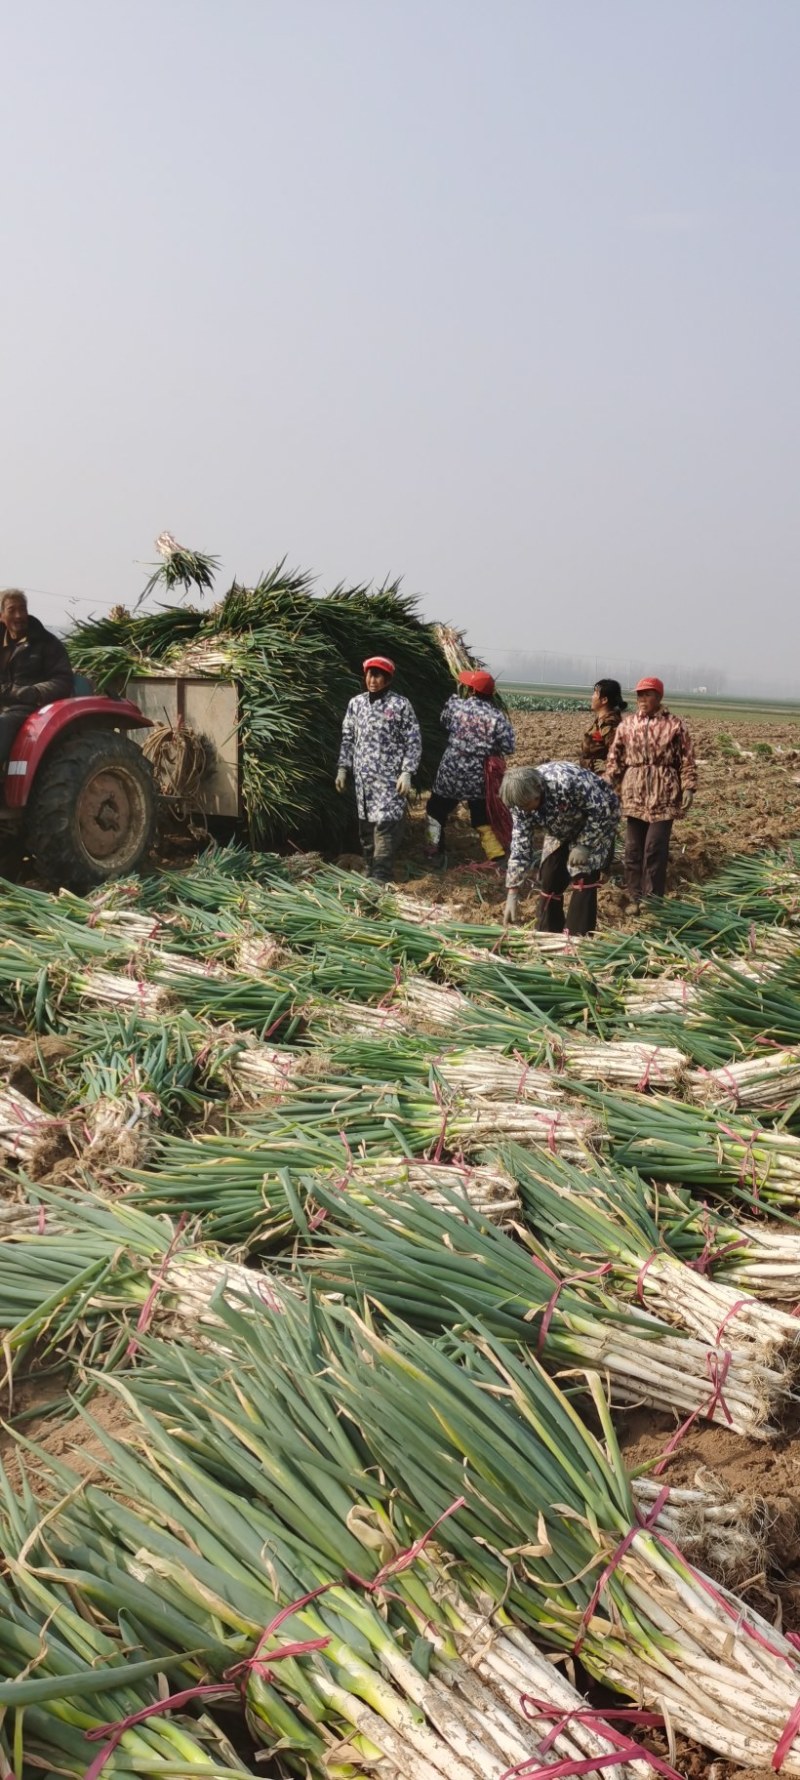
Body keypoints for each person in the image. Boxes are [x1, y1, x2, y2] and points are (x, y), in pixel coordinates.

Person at [605, 676, 697, 906]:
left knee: (654, 848)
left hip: (663, 791)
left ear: (658, 697)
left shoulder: (674, 725)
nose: (642, 699)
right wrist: (604, 785)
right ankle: (634, 896)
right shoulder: (627, 725)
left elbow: (687, 759)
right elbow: (615, 760)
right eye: (639, 694)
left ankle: (653, 898)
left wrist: (689, 787)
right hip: (634, 791)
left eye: (647, 694)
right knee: (633, 849)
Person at [500, 761, 620, 936]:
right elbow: (520, 845)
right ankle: (548, 933)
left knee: (582, 874)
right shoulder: (520, 804)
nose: (524, 811)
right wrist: (512, 891)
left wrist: (585, 845)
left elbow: (602, 810)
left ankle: (577, 939)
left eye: (526, 806)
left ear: (537, 792)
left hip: (596, 823)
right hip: (559, 829)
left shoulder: (566, 782)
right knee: (550, 875)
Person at [336, 655, 422, 882]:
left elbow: (413, 740)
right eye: (369, 674)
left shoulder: (400, 705)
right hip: (364, 780)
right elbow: (347, 738)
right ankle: (371, 867)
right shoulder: (356, 703)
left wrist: (407, 772)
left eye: (378, 675)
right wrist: (343, 768)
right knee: (366, 828)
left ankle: (381, 874)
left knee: (385, 825)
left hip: (389, 778)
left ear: (387, 678)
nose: (372, 680)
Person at [425, 670, 515, 862]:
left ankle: (434, 850)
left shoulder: (456, 706)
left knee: (435, 809)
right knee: (481, 815)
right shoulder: (497, 717)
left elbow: (443, 722)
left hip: (451, 771)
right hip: (478, 775)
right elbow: (509, 747)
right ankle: (495, 855)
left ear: (472, 690)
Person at [0, 590, 73, 766]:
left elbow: (63, 680)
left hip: (28, 708)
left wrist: (32, 692)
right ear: (2, 615)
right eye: (12, 610)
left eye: (22, 609)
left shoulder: (47, 643)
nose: (19, 616)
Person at [580, 678, 627, 773]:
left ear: (604, 700)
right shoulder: (601, 721)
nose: (592, 697)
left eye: (595, 694)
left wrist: (605, 766)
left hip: (601, 780)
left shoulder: (609, 723)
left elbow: (621, 752)